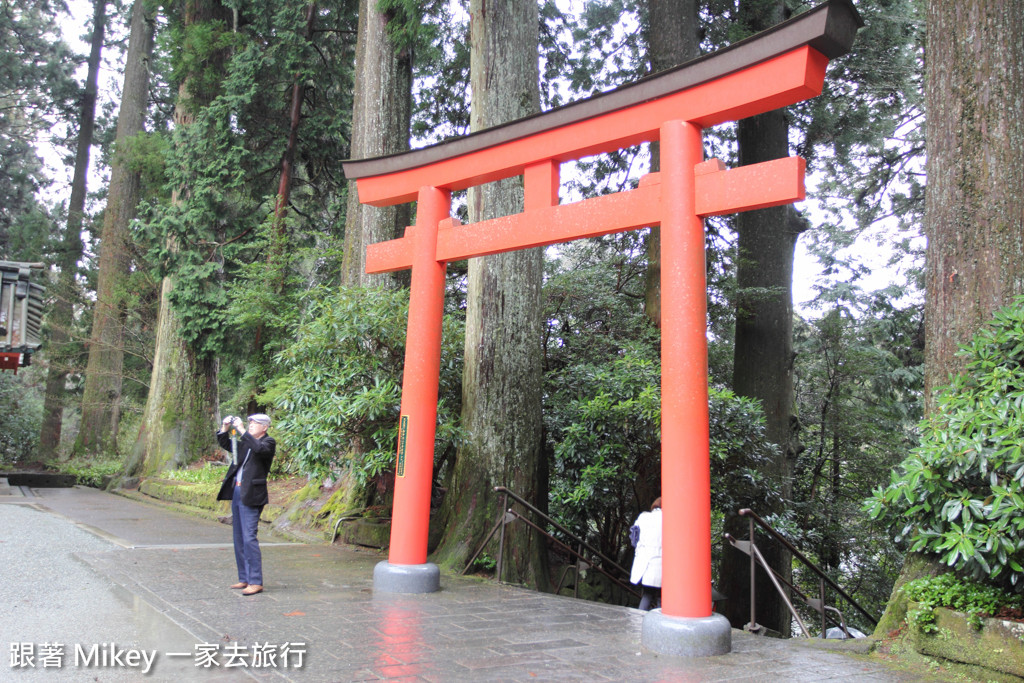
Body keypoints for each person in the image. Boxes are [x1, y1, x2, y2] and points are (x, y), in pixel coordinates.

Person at [216, 413, 276, 596]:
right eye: (249, 423)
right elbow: (228, 445)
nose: (251, 425)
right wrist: (224, 429)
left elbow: (259, 450)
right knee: (239, 536)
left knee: (249, 537)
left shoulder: (268, 442)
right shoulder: (246, 442)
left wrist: (242, 430)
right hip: (237, 491)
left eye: (255, 423)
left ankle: (256, 581)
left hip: (252, 494)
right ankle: (244, 578)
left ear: (264, 427)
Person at [629, 497, 662, 611]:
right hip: (661, 562)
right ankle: (660, 623)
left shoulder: (643, 517)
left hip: (644, 562)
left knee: (647, 594)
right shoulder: (669, 519)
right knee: (661, 597)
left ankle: (637, 619)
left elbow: (634, 538)